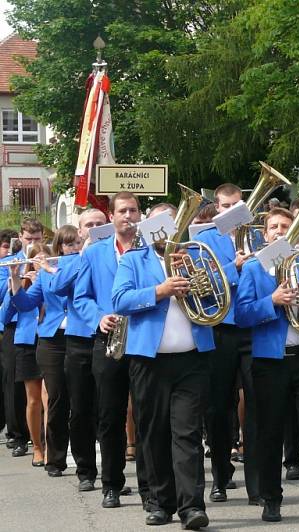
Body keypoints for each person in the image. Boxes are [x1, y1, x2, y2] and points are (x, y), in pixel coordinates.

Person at [111, 203, 212, 529]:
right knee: (153, 433)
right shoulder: (133, 260)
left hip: (191, 358)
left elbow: (219, 301)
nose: (164, 230)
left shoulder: (196, 258)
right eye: (158, 224)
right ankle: (159, 503)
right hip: (148, 361)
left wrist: (197, 282)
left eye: (171, 223)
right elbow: (120, 300)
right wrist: (159, 290)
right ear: (147, 228)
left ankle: (192, 507)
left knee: (188, 434)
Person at [235, 207, 299, 525]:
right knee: (270, 431)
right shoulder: (254, 269)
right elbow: (241, 316)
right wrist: (272, 301)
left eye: (286, 226)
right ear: (265, 234)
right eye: (274, 227)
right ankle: (271, 498)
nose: (280, 231)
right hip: (270, 360)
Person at [74, 192, 149, 509]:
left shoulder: (150, 250)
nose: (128, 216)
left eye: (133, 210)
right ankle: (112, 485)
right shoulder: (94, 253)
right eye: (122, 211)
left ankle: (150, 488)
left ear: (140, 214)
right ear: (112, 217)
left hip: (145, 337)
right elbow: (81, 298)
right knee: (109, 415)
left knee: (147, 416)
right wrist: (98, 317)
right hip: (109, 340)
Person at [193, 183, 257, 503]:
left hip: (254, 327)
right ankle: (220, 475)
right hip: (220, 328)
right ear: (217, 208)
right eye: (225, 206)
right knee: (219, 406)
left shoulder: (258, 236)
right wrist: (237, 267)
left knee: (259, 403)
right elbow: (203, 284)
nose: (232, 211)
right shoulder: (203, 240)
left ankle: (259, 481)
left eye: (237, 205)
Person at [9, 226, 80, 477]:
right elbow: (26, 304)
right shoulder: (44, 276)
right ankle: (55, 458)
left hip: (79, 335)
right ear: (59, 247)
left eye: (76, 244)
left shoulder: (80, 267)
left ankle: (85, 463)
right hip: (51, 339)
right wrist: (17, 279)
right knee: (57, 399)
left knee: (82, 400)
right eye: (68, 245)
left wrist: (51, 270)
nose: (72, 249)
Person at [50, 208, 106, 491]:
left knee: (109, 407)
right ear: (80, 230)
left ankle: (112, 474)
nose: (95, 228)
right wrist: (81, 256)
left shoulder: (114, 253)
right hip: (80, 339)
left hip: (109, 336)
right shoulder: (73, 258)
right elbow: (58, 286)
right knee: (81, 407)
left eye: (100, 223)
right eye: (89, 225)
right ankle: (85, 470)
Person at [2, 242, 49, 467]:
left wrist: (49, 276)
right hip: (27, 341)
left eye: (44, 260)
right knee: (33, 399)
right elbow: (5, 314)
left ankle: (51, 447)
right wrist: (16, 281)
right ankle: (37, 446)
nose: (39, 265)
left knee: (49, 398)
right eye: (36, 261)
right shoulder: (24, 283)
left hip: (49, 339)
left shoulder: (53, 279)